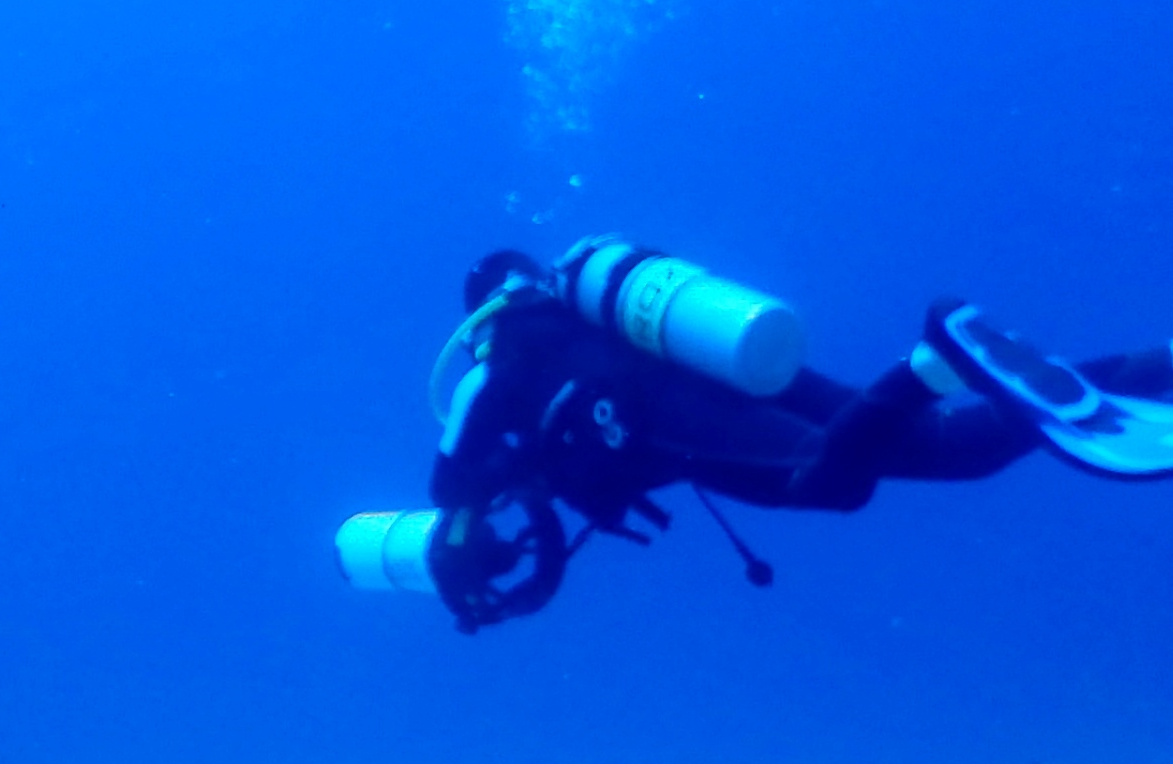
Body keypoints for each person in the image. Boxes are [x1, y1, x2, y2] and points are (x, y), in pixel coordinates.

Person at [414, 241, 1173, 633]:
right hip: (726, 372)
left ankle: (930, 362)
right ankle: (1145, 369)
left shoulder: (499, 360)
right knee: (949, 449)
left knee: (830, 481)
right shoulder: (585, 325)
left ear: (476, 312)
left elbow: (445, 486)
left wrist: (482, 495)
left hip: (672, 416)